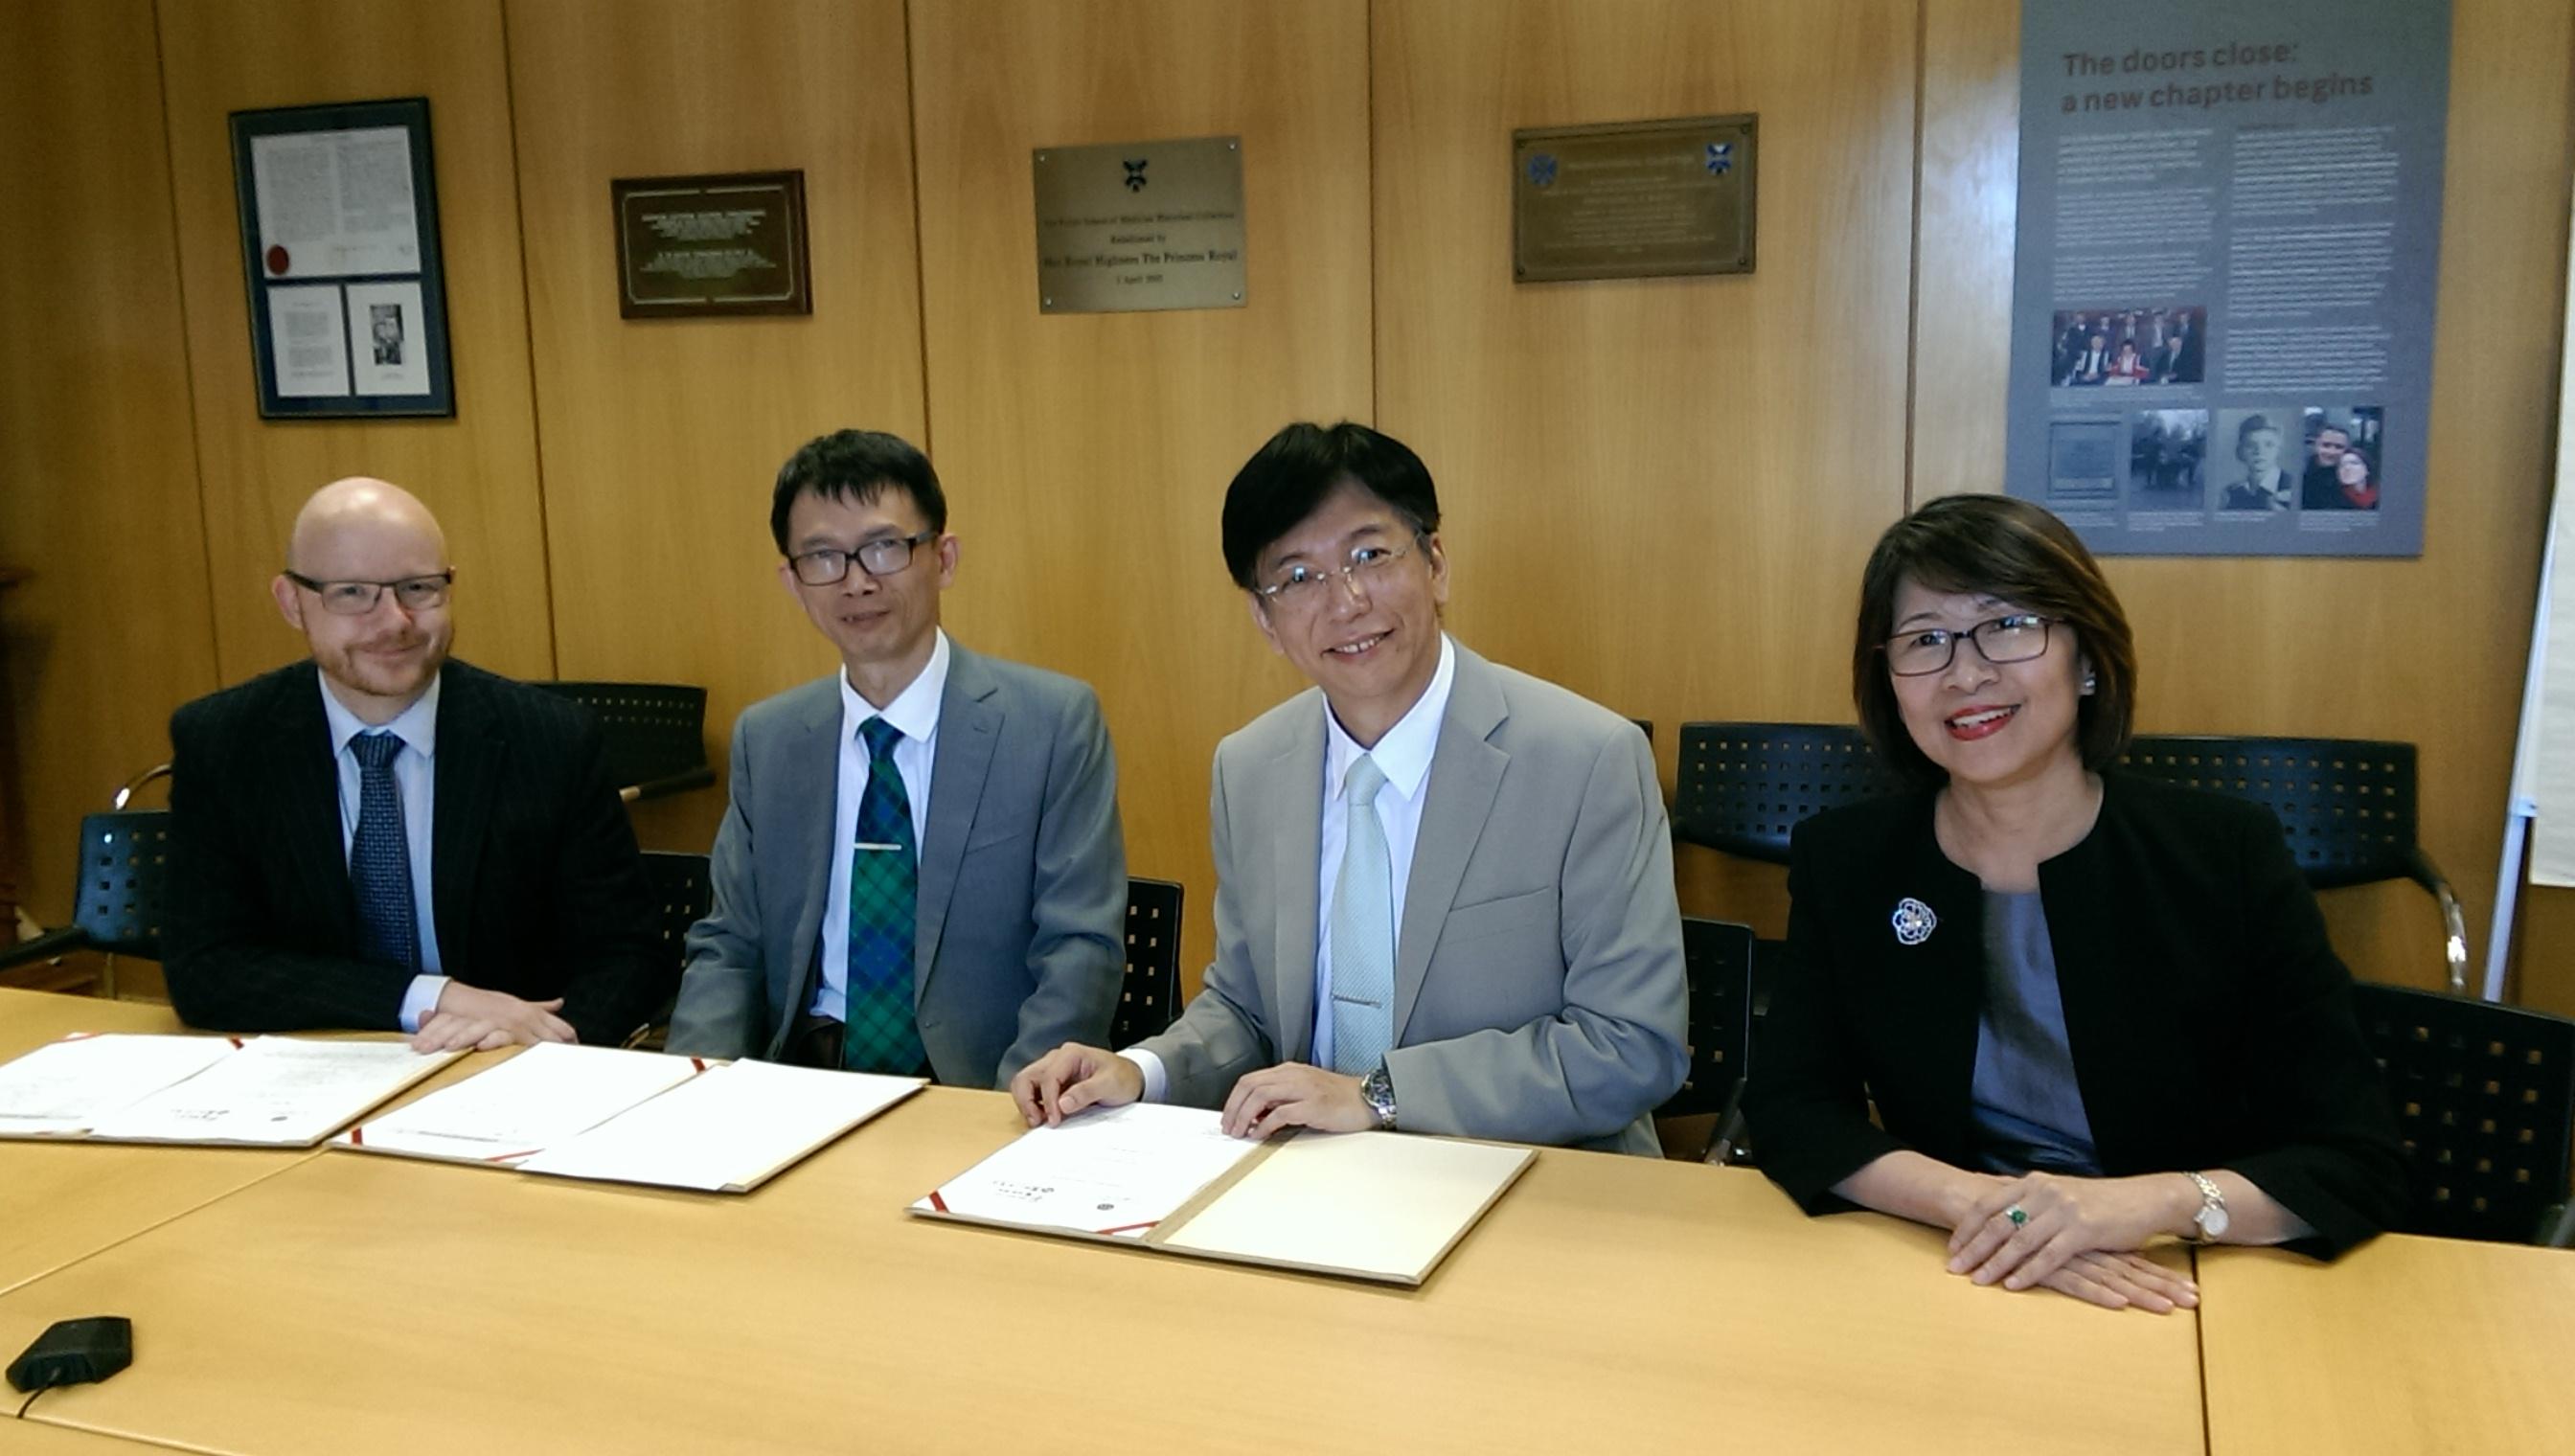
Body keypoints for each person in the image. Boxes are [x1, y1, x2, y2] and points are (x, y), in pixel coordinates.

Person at [1743, 493, 2406, 1312]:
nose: (1966, 672)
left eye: (2009, 626)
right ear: (1888, 682)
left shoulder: (2221, 851)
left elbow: (2354, 1156)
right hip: (1948, 1264)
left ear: (2087, 658)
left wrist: (2144, 1205)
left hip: (2181, 1281)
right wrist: (1987, 1210)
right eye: (1925, 641)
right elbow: (1792, 1108)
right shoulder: (1848, 857)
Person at [1011, 422, 1687, 1153]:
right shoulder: (1251, 767)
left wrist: (1378, 1096)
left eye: (1369, 555)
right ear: (1265, 621)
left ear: (1436, 563)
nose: (1347, 600)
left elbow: (1632, 1045)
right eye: (1298, 578)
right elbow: (1247, 1010)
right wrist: (1143, 1071)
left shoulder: (1587, 760)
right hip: (1314, 1182)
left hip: (1535, 1182)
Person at [665, 429, 1125, 1088]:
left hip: (975, 1087)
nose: (856, 583)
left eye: (883, 548)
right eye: (823, 557)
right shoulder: (768, 740)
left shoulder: (1051, 724)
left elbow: (1081, 948)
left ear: (943, 557)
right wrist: (692, 1084)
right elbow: (730, 945)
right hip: (798, 1079)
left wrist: (1018, 1106)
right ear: (793, 583)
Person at [165, 478, 668, 1051]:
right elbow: (205, 966)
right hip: (314, 1073)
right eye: (353, 593)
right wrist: (431, 996)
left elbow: (629, 954)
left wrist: (551, 1040)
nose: (396, 621)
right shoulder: (226, 742)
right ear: (292, 602)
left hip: (501, 1071)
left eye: (418, 588)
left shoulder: (549, 740)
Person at [2219, 415, 2294, 512]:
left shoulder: (2292, 487)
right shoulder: (2230, 494)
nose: (2259, 452)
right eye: (2250, 445)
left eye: (2268, 445)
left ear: (2279, 449)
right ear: (2240, 451)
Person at [2301, 421, 2354, 510]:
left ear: (2347, 450)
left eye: (2339, 447)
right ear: (2316, 446)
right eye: (2326, 445)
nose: (2331, 452)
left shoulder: (2356, 478)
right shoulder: (2300, 475)